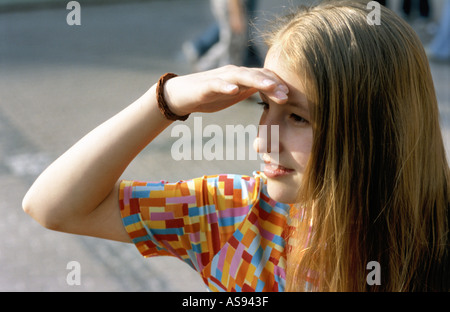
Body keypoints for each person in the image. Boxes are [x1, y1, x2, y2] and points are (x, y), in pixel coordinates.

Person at [23, 1, 449, 291]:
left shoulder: (436, 228)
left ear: (376, 126)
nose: (264, 135)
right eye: (265, 106)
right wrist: (165, 102)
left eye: (297, 117)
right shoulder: (234, 215)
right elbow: (53, 207)